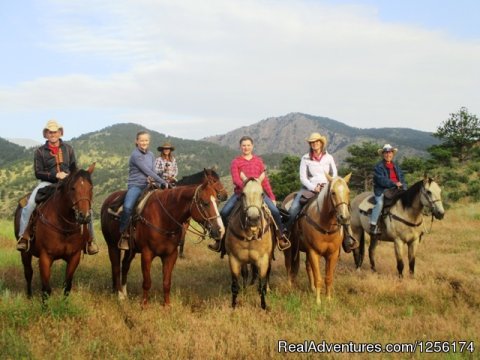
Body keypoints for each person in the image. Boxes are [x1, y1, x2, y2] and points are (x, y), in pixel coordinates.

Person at [16, 120, 99, 255]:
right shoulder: (40, 151)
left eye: (55, 132)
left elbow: (74, 168)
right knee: (30, 204)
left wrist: (70, 176)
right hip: (47, 183)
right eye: (50, 132)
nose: (53, 134)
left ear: (60, 133)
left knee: (85, 207)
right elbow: (38, 172)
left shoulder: (69, 149)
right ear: (46, 134)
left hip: (67, 183)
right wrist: (55, 175)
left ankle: (90, 241)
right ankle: (23, 237)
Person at [208, 136, 290, 252]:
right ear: (240, 147)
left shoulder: (258, 161)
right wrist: (248, 187)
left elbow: (265, 181)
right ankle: (221, 241)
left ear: (252, 146)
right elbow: (236, 180)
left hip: (258, 194)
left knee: (275, 212)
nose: (246, 147)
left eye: (248, 145)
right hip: (241, 193)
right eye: (243, 145)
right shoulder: (236, 162)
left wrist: (271, 196)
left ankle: (280, 237)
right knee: (224, 212)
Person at [285, 132, 357, 252]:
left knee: (343, 208)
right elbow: (303, 177)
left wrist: (330, 185)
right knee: (293, 209)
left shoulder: (329, 158)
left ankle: (348, 237)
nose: (315, 144)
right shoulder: (305, 158)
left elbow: (334, 174)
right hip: (309, 188)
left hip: (328, 188)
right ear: (310, 144)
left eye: (317, 142)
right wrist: (314, 188)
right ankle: (286, 234)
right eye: (312, 142)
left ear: (321, 143)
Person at [118, 131, 169, 250]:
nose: (144, 142)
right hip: (136, 185)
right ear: (136, 141)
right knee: (128, 207)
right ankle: (123, 233)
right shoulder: (135, 155)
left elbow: (153, 172)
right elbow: (147, 171)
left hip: (148, 185)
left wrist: (158, 180)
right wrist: (162, 182)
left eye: (146, 140)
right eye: (141, 140)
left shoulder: (151, 155)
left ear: (149, 141)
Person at [370, 144, 407, 234]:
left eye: (390, 152)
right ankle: (373, 225)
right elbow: (381, 180)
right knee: (379, 203)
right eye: (386, 153)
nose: (388, 155)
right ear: (383, 154)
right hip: (382, 189)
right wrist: (394, 183)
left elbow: (402, 178)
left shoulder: (396, 166)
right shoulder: (378, 167)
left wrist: (404, 186)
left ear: (392, 154)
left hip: (396, 189)